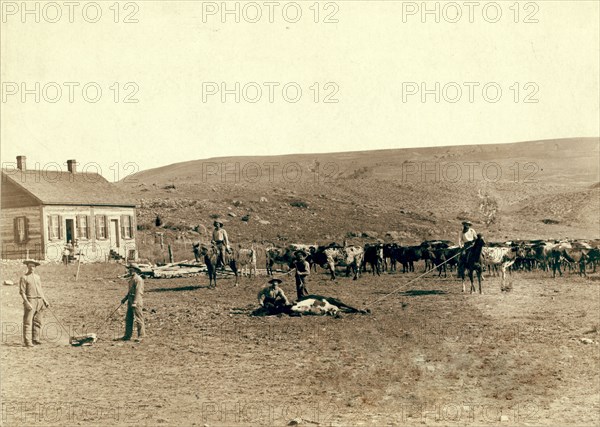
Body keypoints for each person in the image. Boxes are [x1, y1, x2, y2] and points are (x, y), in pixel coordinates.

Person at [19, 259, 49, 347]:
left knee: (38, 321)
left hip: (39, 301)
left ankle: (36, 339)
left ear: (35, 267)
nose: (32, 267)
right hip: (30, 300)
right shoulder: (24, 277)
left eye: (33, 266)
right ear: (27, 266)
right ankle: (27, 341)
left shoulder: (37, 277)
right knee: (28, 321)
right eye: (30, 266)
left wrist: (45, 300)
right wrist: (26, 302)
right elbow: (22, 292)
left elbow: (40, 290)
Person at [118, 266, 145, 342]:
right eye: (129, 269)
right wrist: (125, 299)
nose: (130, 271)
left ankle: (141, 336)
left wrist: (135, 302)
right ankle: (127, 335)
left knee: (139, 319)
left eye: (132, 269)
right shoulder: (131, 279)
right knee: (129, 318)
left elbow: (138, 292)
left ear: (135, 270)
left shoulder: (138, 279)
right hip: (130, 300)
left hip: (136, 301)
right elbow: (130, 292)